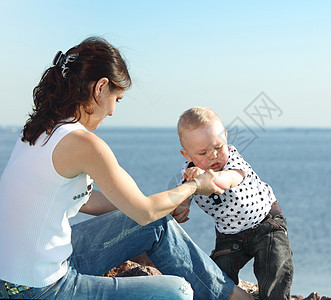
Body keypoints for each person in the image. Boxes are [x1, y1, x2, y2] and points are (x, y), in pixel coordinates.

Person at [0, 37, 254, 300]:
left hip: (20, 273)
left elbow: (87, 201)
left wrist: (155, 207)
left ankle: (230, 296)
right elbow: (144, 212)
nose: (112, 112)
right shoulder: (83, 143)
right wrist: (194, 186)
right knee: (177, 293)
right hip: (41, 289)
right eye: (117, 99)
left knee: (157, 225)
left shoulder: (39, 129)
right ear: (100, 88)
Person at [173, 107, 294, 300]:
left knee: (274, 267)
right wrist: (181, 208)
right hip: (229, 235)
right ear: (187, 155)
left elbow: (228, 179)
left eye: (218, 147)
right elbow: (180, 201)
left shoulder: (233, 160)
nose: (213, 155)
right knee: (218, 274)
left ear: (226, 139)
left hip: (266, 224)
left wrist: (202, 181)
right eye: (202, 153)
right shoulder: (188, 174)